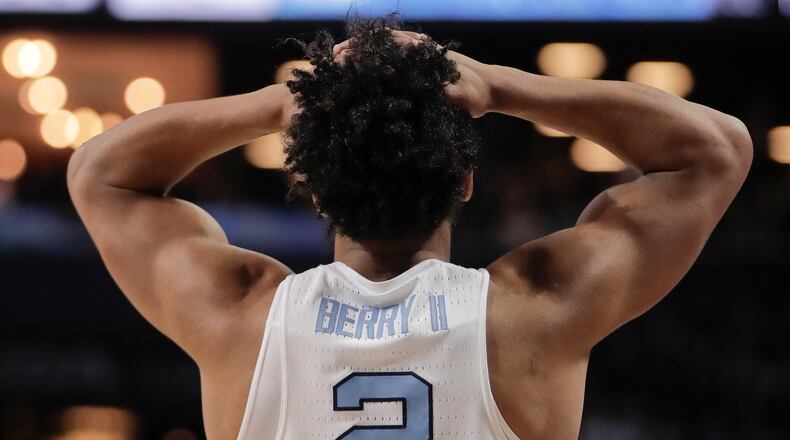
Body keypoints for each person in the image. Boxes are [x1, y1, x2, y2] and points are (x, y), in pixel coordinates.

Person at [67, 21, 752, 440]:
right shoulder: (535, 311)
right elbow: (715, 150)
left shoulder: (240, 313)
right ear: (465, 183)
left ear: (314, 192)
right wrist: (503, 87)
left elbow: (100, 172)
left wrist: (284, 99)